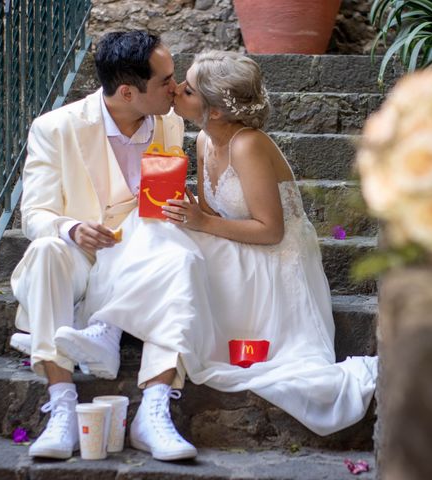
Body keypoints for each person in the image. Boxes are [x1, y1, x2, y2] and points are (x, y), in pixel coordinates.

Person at [61, 51, 376, 436]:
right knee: (150, 218)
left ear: (217, 111)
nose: (176, 89)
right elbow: (211, 218)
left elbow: (270, 230)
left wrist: (200, 221)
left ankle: (107, 326)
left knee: (160, 236)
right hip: (235, 243)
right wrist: (187, 210)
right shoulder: (204, 141)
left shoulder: (249, 145)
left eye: (188, 89)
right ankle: (106, 330)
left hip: (273, 260)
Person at [10, 30, 198, 461]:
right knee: (44, 251)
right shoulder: (54, 128)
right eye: (166, 80)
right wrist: (72, 229)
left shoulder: (171, 123)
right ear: (129, 91)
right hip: (82, 257)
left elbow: (161, 200)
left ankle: (153, 409)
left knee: (180, 255)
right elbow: (34, 215)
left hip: (145, 257)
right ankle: (61, 405)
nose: (177, 86)